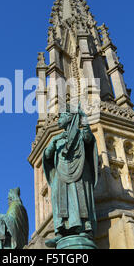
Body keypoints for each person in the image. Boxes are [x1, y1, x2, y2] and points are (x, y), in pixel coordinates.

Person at [42, 104, 99, 248]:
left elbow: (88, 138)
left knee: (80, 199)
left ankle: (85, 229)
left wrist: (84, 118)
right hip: (61, 174)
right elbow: (48, 155)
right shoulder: (57, 138)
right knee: (60, 200)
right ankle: (61, 232)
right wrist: (54, 142)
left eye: (62, 116)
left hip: (79, 171)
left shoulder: (80, 134)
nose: (59, 119)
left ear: (69, 117)